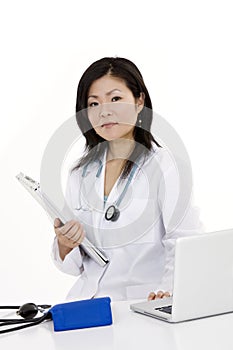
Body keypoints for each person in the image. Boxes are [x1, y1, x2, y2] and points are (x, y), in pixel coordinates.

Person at [52, 57, 204, 301]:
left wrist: (167, 293)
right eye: (93, 103)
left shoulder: (166, 166)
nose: (105, 111)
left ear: (139, 101)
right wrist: (64, 245)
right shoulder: (80, 173)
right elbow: (73, 267)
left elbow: (184, 242)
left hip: (142, 304)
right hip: (86, 304)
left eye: (115, 98)